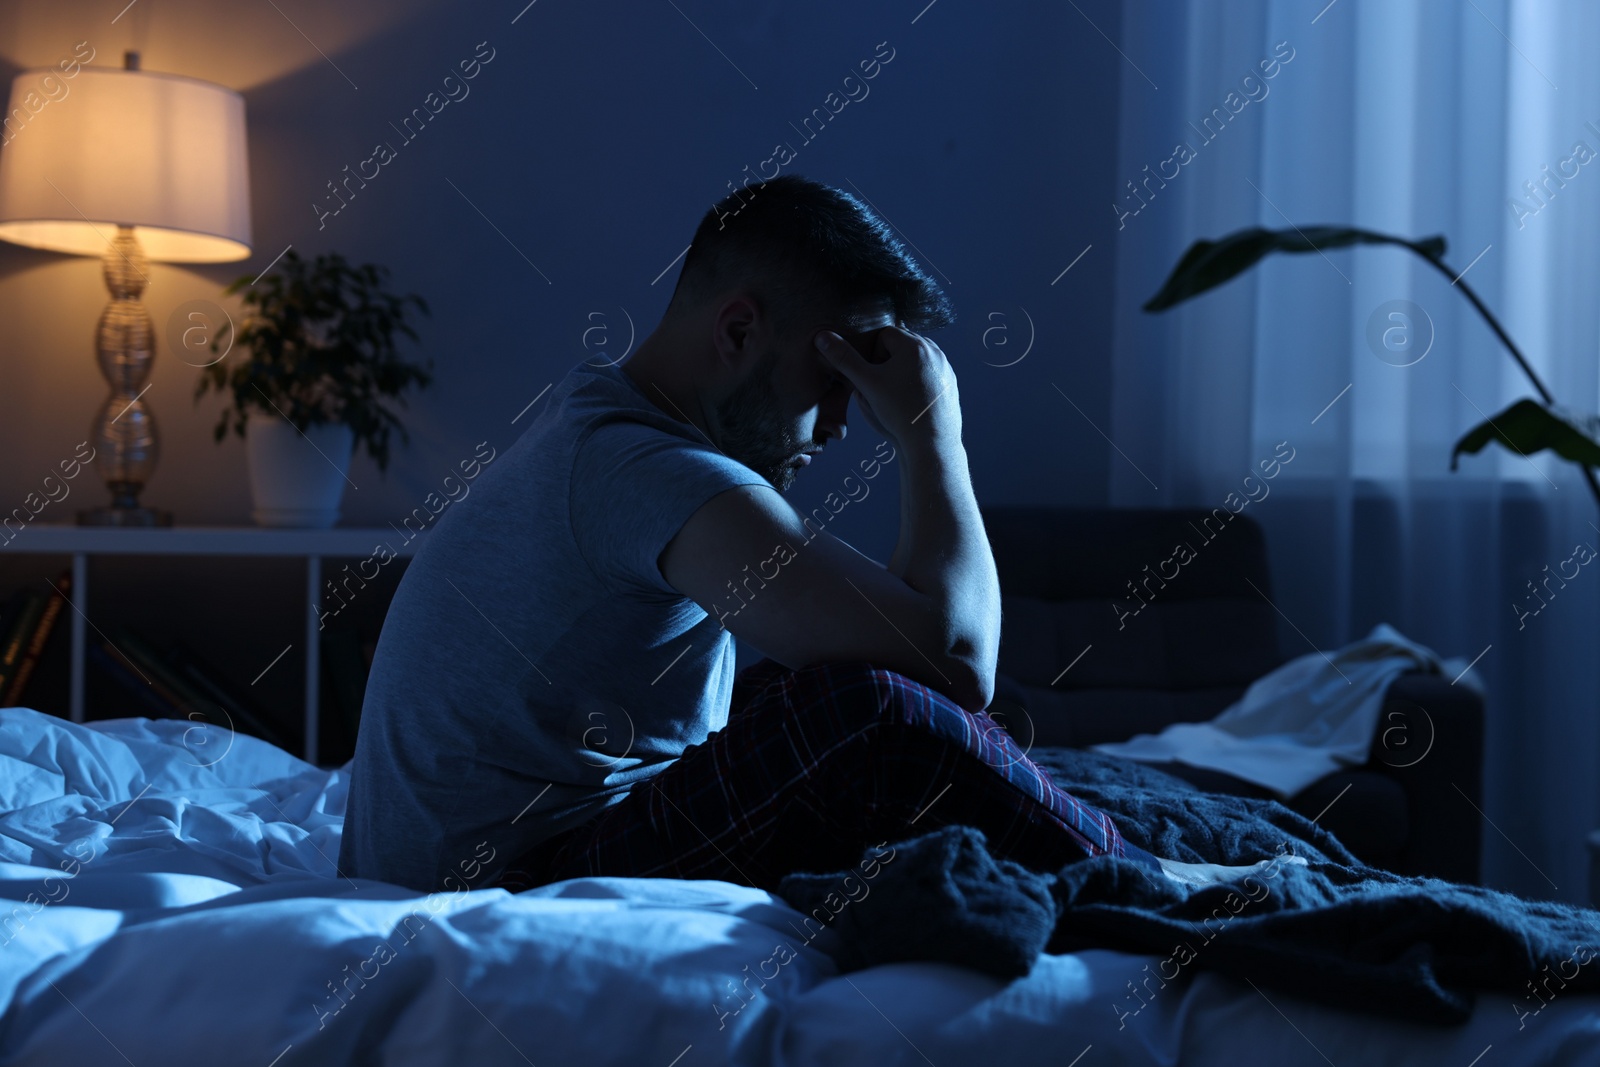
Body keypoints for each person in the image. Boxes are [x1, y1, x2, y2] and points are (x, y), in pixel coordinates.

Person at [337, 174, 1272, 897]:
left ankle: (1102, 834)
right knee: (865, 713)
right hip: (499, 882)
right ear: (739, 330)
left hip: (504, 847)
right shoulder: (649, 471)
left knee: (838, 689)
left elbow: (922, 642)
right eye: (835, 380)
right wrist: (930, 434)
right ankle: (1148, 880)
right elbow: (953, 657)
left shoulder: (603, 428)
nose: (841, 425)